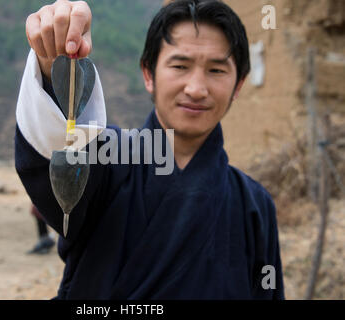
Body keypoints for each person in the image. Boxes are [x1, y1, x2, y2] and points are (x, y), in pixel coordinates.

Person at [15, 0, 285, 299]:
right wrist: (54, 61)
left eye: (217, 70)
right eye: (180, 66)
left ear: (239, 85)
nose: (196, 88)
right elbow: (56, 148)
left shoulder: (254, 205)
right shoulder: (106, 161)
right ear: (148, 74)